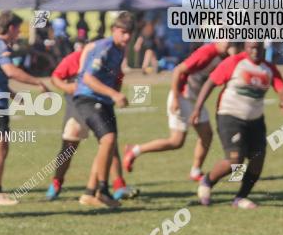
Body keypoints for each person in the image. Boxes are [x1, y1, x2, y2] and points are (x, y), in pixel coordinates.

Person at [191, 41, 283, 209]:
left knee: (257, 160)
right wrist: (197, 108)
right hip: (230, 116)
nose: (255, 51)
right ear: (245, 48)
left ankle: (240, 198)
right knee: (235, 161)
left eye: (258, 48)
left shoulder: (269, 68)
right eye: (251, 47)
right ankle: (207, 181)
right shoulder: (234, 62)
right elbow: (210, 83)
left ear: (263, 48)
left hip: (255, 120)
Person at [0, 11, 49, 205]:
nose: (19, 33)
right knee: (1, 148)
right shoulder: (0, 45)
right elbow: (10, 71)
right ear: (11, 28)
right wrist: (38, 82)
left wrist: (14, 96)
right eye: (18, 29)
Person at [123, 42, 229, 182]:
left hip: (196, 101)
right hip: (182, 97)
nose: (228, 42)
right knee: (176, 141)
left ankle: (195, 171)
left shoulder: (226, 54)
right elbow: (178, 70)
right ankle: (135, 150)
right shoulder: (207, 52)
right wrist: (175, 98)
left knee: (206, 135)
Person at [46, 44, 138, 201]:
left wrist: (113, 94)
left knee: (109, 142)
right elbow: (55, 77)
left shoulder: (110, 58)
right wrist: (67, 87)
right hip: (78, 104)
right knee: (69, 145)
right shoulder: (75, 58)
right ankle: (57, 182)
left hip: (100, 103)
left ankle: (118, 185)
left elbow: (119, 77)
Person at [72, 12, 134, 207]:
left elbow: (115, 75)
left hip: (103, 100)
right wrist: (114, 94)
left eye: (130, 33)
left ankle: (93, 192)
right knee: (107, 140)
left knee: (107, 143)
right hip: (88, 97)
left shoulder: (120, 50)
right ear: (114, 30)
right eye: (123, 32)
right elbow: (89, 78)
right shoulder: (104, 47)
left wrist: (115, 91)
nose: (127, 37)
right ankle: (101, 190)